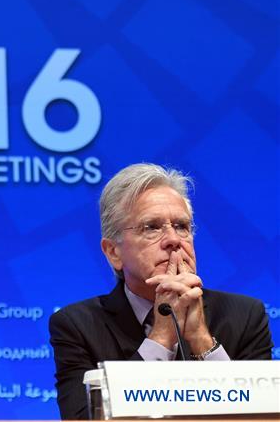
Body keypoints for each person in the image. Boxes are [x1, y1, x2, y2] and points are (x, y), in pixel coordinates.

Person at [49, 163, 273, 420]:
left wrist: (202, 341)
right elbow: (82, 418)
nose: (173, 239)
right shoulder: (77, 326)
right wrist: (160, 338)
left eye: (181, 226)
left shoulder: (245, 316)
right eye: (151, 227)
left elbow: (260, 416)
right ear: (113, 252)